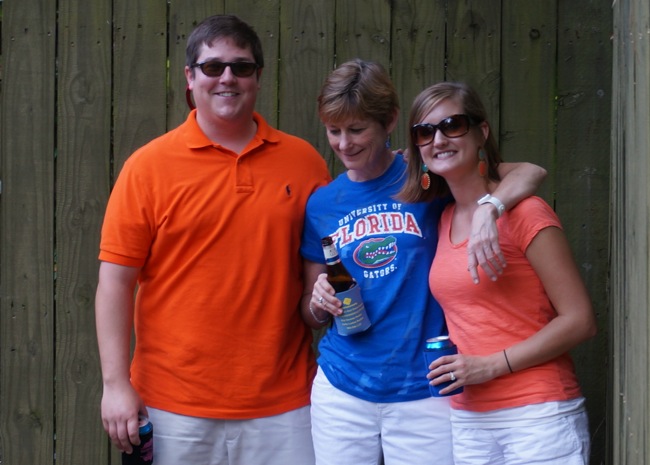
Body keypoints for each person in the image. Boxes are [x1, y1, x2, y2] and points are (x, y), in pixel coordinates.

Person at [95, 14, 331, 465]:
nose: (227, 78)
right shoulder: (147, 167)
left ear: (258, 77)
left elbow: (317, 274)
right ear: (189, 76)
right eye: (213, 66)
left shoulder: (304, 163)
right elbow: (115, 283)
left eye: (241, 67)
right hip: (171, 406)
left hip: (284, 406)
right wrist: (114, 385)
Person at [300, 59, 547, 465]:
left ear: (389, 121)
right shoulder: (323, 204)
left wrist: (491, 207)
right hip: (341, 387)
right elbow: (310, 313)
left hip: (425, 384)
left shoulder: (428, 179)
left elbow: (529, 172)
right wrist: (318, 300)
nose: (344, 144)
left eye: (357, 129)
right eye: (334, 131)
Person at [398, 81, 598, 464]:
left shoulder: (526, 212)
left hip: (538, 415)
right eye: (425, 132)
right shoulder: (443, 218)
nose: (438, 139)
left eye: (452, 125)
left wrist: (491, 365)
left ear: (481, 132)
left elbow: (580, 321)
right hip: (470, 420)